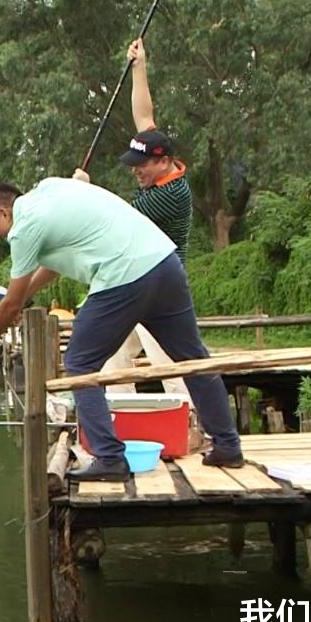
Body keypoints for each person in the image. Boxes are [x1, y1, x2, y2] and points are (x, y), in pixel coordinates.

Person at [0, 178, 243, 481]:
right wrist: (23, 300)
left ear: (3, 212)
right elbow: (49, 269)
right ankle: (228, 446)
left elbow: (8, 304)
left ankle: (110, 458)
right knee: (193, 359)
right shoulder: (51, 189)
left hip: (124, 275)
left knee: (80, 363)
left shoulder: (24, 228)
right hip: (164, 264)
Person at [74, 38, 191, 396]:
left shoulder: (171, 195)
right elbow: (145, 117)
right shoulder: (159, 164)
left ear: (162, 161)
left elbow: (116, 220)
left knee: (171, 367)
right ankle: (116, 420)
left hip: (159, 289)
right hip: (131, 280)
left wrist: (84, 191)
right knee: (112, 362)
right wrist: (140, 68)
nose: (134, 172)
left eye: (140, 166)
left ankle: (191, 425)